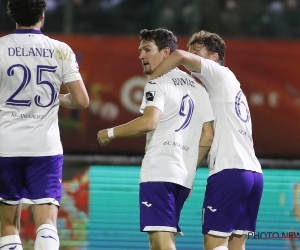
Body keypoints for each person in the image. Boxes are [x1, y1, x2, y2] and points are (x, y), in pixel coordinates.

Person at [97, 28, 214, 250]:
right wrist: (189, 171)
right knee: (157, 239)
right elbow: (208, 135)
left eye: (147, 49)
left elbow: (149, 122)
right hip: (182, 176)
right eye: (140, 50)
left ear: (165, 53)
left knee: (161, 240)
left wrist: (110, 133)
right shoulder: (199, 88)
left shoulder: (157, 81)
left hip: (160, 170)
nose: (141, 55)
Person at [148, 30, 264, 250]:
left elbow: (179, 55)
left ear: (214, 58)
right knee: (236, 247)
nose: (192, 56)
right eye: (192, 51)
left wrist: (153, 77)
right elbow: (207, 137)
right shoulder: (221, 88)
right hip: (253, 175)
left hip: (230, 171)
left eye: (198, 52)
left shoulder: (219, 75)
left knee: (215, 245)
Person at [0, 1, 89, 250]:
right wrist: (57, 98)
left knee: (8, 225)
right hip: (45, 147)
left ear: (12, 15)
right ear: (42, 15)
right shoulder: (60, 49)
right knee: (47, 223)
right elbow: (81, 100)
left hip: (5, 146)